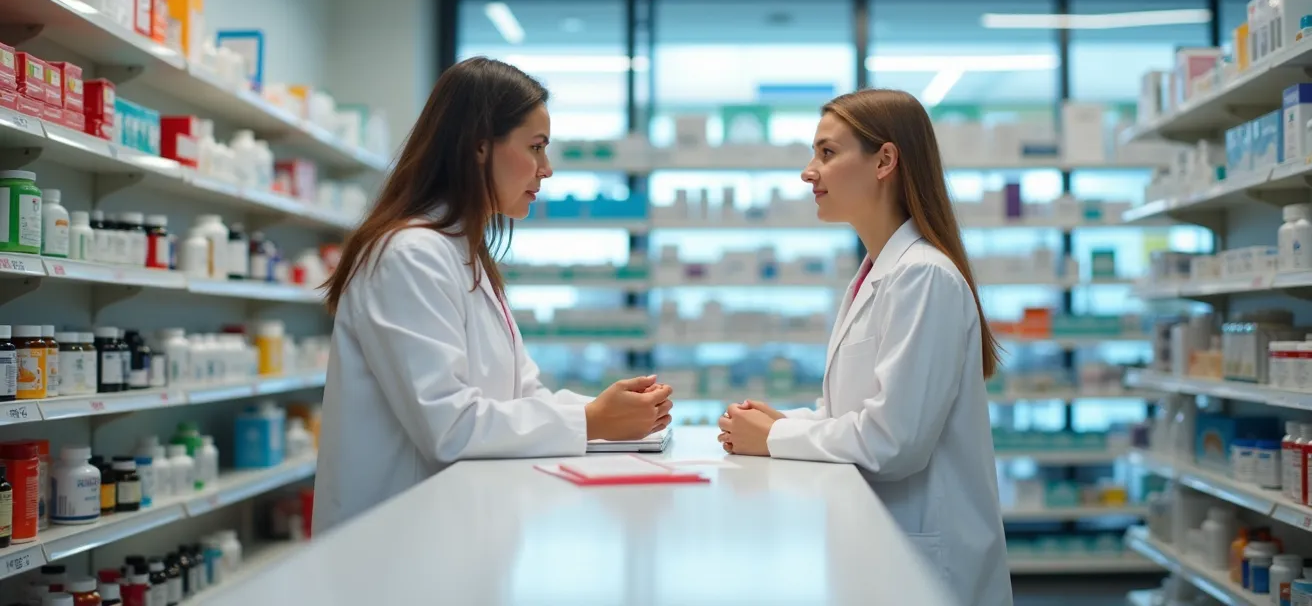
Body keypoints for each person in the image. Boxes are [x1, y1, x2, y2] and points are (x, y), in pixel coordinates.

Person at [313, 57, 673, 533]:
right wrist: (591, 420)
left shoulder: (462, 251)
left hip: (457, 523)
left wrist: (609, 410)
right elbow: (449, 428)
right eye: (536, 148)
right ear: (480, 147)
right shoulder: (409, 254)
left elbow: (522, 394)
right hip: (395, 536)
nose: (546, 169)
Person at [716, 89, 1013, 605]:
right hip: (883, 549)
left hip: (929, 566)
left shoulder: (923, 277)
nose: (809, 172)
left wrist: (776, 437)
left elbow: (893, 443)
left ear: (885, 161)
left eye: (827, 153)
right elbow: (852, 415)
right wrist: (787, 421)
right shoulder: (882, 271)